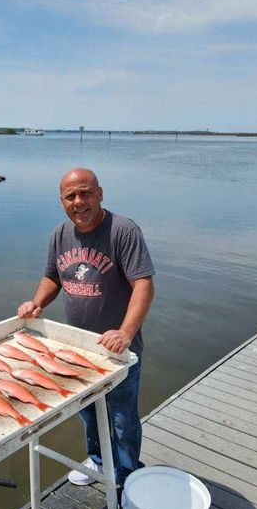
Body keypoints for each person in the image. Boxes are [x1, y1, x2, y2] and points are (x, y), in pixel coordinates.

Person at [17, 167, 155, 488]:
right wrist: (38, 303)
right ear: (62, 201)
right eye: (71, 196)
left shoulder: (123, 231)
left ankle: (126, 473)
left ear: (100, 194)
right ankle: (96, 459)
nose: (79, 202)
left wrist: (126, 332)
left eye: (85, 193)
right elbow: (53, 276)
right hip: (79, 348)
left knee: (122, 420)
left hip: (120, 352)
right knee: (88, 412)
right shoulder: (60, 235)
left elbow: (144, 286)